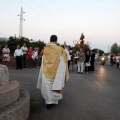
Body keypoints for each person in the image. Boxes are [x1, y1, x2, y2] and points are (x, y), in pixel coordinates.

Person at [37, 35, 69, 109]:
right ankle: (54, 101)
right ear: (56, 40)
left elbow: (42, 59)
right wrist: (66, 48)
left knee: (47, 87)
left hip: (46, 69)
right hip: (56, 71)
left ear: (50, 40)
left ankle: (49, 102)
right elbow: (66, 57)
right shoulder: (60, 49)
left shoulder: (45, 49)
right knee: (55, 85)